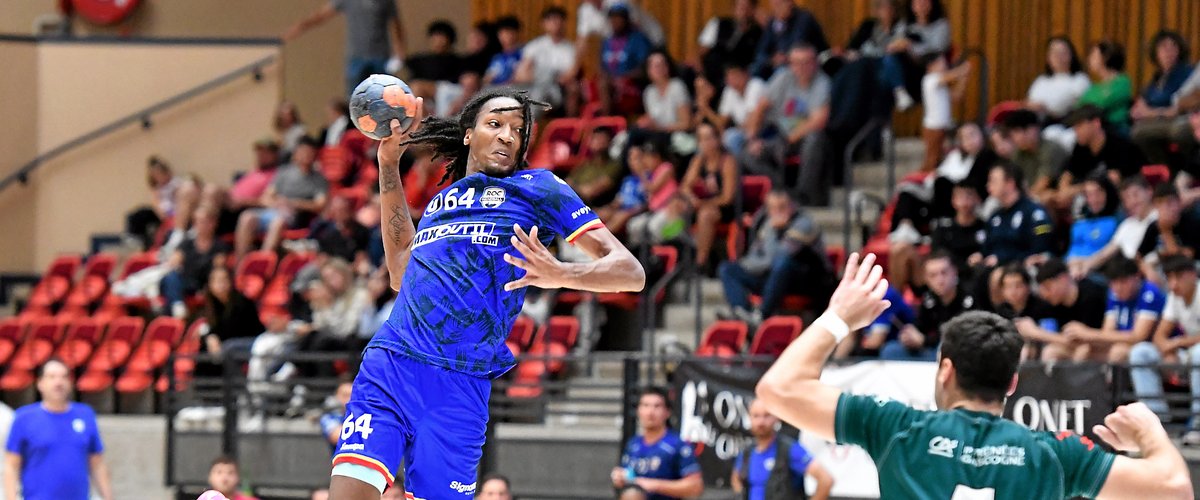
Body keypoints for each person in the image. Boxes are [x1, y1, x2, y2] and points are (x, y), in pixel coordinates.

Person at [329, 89, 645, 500]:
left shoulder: (539, 187)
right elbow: (400, 272)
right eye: (495, 124)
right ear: (467, 135)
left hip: (460, 382)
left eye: (518, 130)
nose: (509, 137)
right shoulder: (443, 201)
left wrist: (560, 273)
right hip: (393, 362)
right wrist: (388, 165)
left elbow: (630, 272)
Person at [756, 252, 1193, 499]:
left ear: (945, 370)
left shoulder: (896, 428)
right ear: (1012, 384)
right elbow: (1175, 489)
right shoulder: (1054, 453)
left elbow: (778, 390)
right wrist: (1151, 433)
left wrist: (837, 318)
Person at [719, 190, 833, 325]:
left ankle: (762, 316)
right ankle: (743, 313)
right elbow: (754, 256)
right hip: (773, 277)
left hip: (806, 282)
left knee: (781, 263)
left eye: (782, 207)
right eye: (772, 208)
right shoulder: (768, 224)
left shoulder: (804, 224)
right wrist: (746, 265)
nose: (777, 212)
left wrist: (772, 233)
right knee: (728, 268)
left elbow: (778, 256)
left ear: (792, 206)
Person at [4, 359, 113, 500]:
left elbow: (97, 464)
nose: (58, 382)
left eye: (63, 377)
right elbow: (11, 467)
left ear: (70, 382)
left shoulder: (85, 415)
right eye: (52, 377)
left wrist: (108, 496)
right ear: (40, 383)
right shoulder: (24, 418)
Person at [743, 44, 832, 206]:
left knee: (814, 140)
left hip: (803, 138)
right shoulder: (783, 77)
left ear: (815, 63)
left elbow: (819, 120)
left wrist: (791, 138)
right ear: (790, 64)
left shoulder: (822, 82)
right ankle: (785, 191)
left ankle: (804, 195)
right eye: (797, 63)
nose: (802, 67)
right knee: (746, 153)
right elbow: (761, 107)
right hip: (779, 136)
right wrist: (753, 137)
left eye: (807, 62)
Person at [1129, 255, 1200, 444]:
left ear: (1193, 275)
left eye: (1179, 277)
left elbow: (1175, 341)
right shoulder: (1173, 298)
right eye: (1170, 278)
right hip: (1186, 354)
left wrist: (1176, 344)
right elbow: (1159, 336)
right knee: (1141, 352)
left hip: (1195, 353)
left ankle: (1198, 422)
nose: (1174, 284)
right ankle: (1156, 421)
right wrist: (1168, 351)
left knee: (1199, 354)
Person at [283, 0, 406, 95]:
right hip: (356, 56)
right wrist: (301, 27)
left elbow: (395, 24)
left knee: (382, 95)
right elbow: (322, 15)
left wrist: (399, 50)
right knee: (355, 95)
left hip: (380, 55)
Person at [1066, 255, 1166, 363]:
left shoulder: (1149, 293)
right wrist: (1084, 337)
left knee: (1118, 352)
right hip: (1123, 343)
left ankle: (1115, 379)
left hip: (1152, 349)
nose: (1118, 287)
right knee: (1084, 350)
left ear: (1137, 276)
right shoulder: (1114, 294)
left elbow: (1138, 336)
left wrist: (1088, 333)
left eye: (1123, 282)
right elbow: (1108, 331)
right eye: (1113, 282)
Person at [610, 387, 704, 500]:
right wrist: (620, 478)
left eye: (657, 406)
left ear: (667, 412)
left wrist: (654, 485)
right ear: (638, 410)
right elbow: (628, 478)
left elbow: (695, 486)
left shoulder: (677, 445)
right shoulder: (633, 444)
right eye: (645, 405)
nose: (650, 412)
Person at [881, 251, 977, 361]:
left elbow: (959, 336)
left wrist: (924, 340)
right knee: (890, 350)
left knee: (943, 350)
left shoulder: (968, 298)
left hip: (957, 353)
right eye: (933, 275)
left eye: (944, 273)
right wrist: (910, 334)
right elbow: (920, 325)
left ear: (954, 272)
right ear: (926, 278)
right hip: (929, 350)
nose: (940, 280)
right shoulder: (929, 298)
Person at [731, 399, 834, 500]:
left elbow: (825, 480)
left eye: (766, 416)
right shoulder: (747, 452)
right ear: (749, 418)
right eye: (756, 416)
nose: (761, 422)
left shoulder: (789, 449)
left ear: (776, 417)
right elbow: (736, 477)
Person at [1019, 258, 1109, 362]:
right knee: (1051, 351)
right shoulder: (1052, 302)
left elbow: (1088, 340)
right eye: (1042, 289)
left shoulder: (1092, 296)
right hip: (1076, 347)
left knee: (1083, 351)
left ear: (1063, 279)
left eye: (1048, 287)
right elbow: (1025, 320)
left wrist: (1038, 333)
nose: (1045, 294)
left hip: (1101, 346)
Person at [1131, 30, 1194, 165]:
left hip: (1179, 120)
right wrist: (1138, 110)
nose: (1168, 52)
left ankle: (1169, 170)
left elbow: (1179, 108)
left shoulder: (1186, 73)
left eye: (1173, 47)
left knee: (1140, 132)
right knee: (1135, 130)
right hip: (1159, 121)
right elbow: (1142, 101)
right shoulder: (1157, 77)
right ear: (1156, 52)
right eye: (1163, 47)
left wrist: (1150, 113)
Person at [513, 6, 577, 110]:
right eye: (551, 20)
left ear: (564, 22)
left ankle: (530, 124)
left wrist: (550, 78)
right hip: (533, 85)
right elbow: (521, 74)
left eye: (558, 19)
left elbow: (569, 75)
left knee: (540, 94)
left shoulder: (571, 49)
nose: (555, 23)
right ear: (543, 23)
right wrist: (541, 76)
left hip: (556, 88)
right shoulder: (535, 46)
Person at [999, 109, 1068, 204]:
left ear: (1033, 129)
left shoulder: (1050, 149)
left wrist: (1021, 199)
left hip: (1054, 194)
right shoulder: (1018, 153)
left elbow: (1044, 181)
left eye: (1017, 132)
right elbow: (1014, 178)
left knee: (1044, 199)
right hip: (1029, 194)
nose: (1015, 138)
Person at [750, 0, 829, 80]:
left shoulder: (804, 18)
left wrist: (780, 23)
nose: (776, 9)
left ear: (790, 3)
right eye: (774, 5)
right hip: (779, 65)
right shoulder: (773, 21)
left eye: (779, 4)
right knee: (754, 70)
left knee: (781, 71)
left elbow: (795, 48)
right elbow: (760, 52)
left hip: (809, 64)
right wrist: (771, 60)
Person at [919, 53, 971, 173]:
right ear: (930, 66)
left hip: (941, 126)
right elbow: (952, 75)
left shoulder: (941, 84)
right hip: (933, 127)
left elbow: (956, 97)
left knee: (938, 158)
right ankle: (925, 178)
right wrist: (963, 69)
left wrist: (963, 80)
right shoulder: (930, 80)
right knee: (932, 158)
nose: (944, 65)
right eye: (940, 62)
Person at [1026, 36, 1091, 123]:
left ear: (1071, 56)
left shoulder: (1079, 80)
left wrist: (1049, 111)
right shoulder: (1041, 80)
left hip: (1063, 124)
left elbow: (1082, 109)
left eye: (1063, 53)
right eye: (1054, 53)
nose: (1058, 57)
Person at [1080, 40, 1134, 133]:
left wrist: (1089, 106)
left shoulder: (1123, 81)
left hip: (1114, 129)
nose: (1089, 59)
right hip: (1093, 129)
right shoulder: (1095, 88)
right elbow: (1080, 106)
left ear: (1106, 57)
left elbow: (1103, 103)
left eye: (1093, 55)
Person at [319, 377, 353, 455]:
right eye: (345, 395)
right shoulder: (329, 417)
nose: (350, 399)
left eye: (352, 395)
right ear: (337, 396)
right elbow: (338, 437)